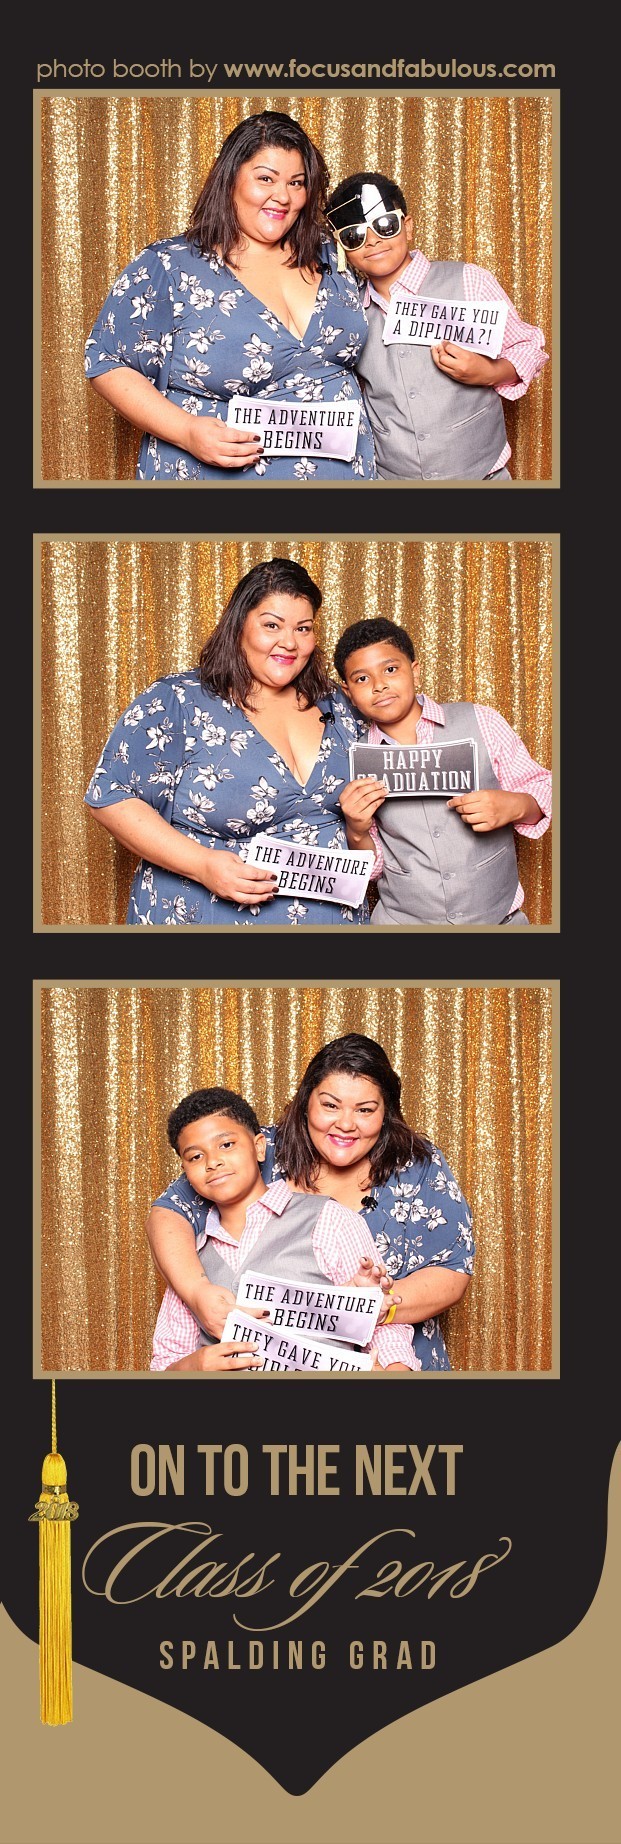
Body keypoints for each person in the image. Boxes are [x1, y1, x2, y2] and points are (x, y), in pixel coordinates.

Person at [147, 1037, 474, 1372]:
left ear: (385, 1112)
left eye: (365, 1110)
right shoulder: (252, 1148)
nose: (346, 1124)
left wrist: (363, 1310)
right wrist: (198, 1293)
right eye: (330, 1105)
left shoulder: (414, 1166)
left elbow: (451, 1271)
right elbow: (169, 1213)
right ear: (306, 1102)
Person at [85, 557, 377, 927]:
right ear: (239, 625)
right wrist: (202, 865)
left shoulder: (339, 703)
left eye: (303, 629)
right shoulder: (180, 700)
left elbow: (404, 747)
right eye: (272, 625)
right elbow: (111, 796)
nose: (290, 642)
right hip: (208, 915)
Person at [85, 111, 375, 482]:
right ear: (231, 178)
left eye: (297, 183)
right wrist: (186, 432)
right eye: (265, 178)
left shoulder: (332, 255)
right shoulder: (170, 265)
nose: (283, 196)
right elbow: (107, 361)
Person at [150, 1086, 417, 1373]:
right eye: (195, 1157)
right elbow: (165, 1362)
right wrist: (195, 1365)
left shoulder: (329, 1220)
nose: (212, 1162)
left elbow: (384, 1324)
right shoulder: (190, 1263)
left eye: (226, 1145)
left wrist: (394, 1370)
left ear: (259, 1147)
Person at [325, 171, 548, 480]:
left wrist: (491, 372)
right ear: (341, 247)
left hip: (481, 474)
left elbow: (527, 345)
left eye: (385, 225)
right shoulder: (349, 312)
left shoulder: (468, 281)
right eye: (354, 236)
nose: (372, 240)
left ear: (408, 226)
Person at [335, 617, 551, 926]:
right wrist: (356, 830)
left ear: (415, 670)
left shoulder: (481, 721)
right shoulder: (356, 757)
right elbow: (373, 868)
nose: (379, 685)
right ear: (348, 692)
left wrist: (516, 805)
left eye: (390, 669)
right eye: (361, 679)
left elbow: (543, 787)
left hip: (498, 920)